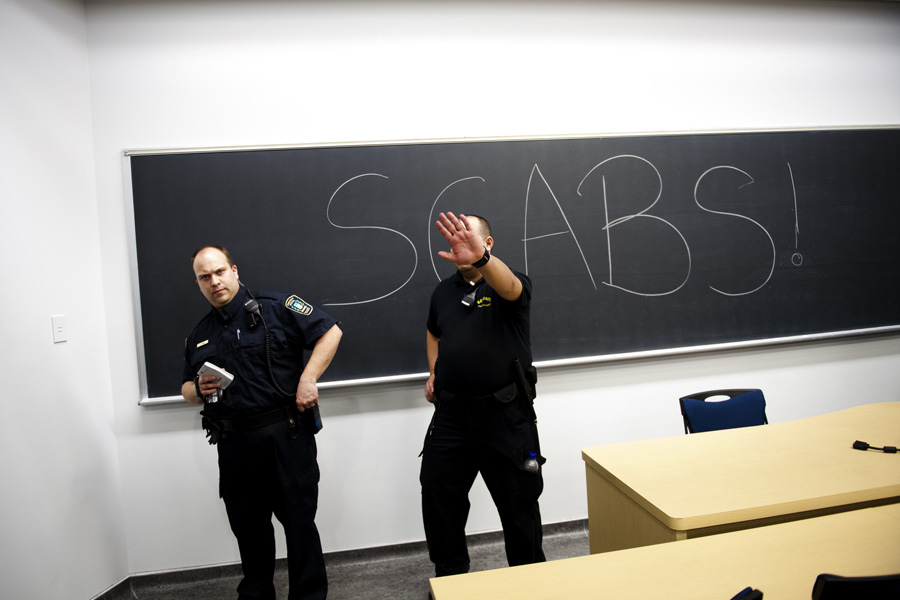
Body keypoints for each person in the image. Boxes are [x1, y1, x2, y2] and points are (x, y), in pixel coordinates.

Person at [181, 245, 342, 600]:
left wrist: (308, 378)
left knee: (299, 525)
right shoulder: (199, 335)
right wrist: (196, 388)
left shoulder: (277, 307)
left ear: (234, 270)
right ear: (198, 283)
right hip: (234, 445)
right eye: (204, 277)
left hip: (284, 436)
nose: (214, 282)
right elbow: (185, 389)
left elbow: (330, 332)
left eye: (219, 272)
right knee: (249, 531)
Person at [420, 212, 546, 579]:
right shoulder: (443, 292)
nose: (459, 246)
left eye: (469, 239)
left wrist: (483, 261)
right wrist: (433, 372)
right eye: (455, 241)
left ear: (488, 244)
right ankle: (451, 578)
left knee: (519, 502)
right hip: (451, 416)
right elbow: (433, 333)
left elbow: (511, 287)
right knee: (439, 497)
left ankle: (529, 580)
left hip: (505, 416)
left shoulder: (509, 284)